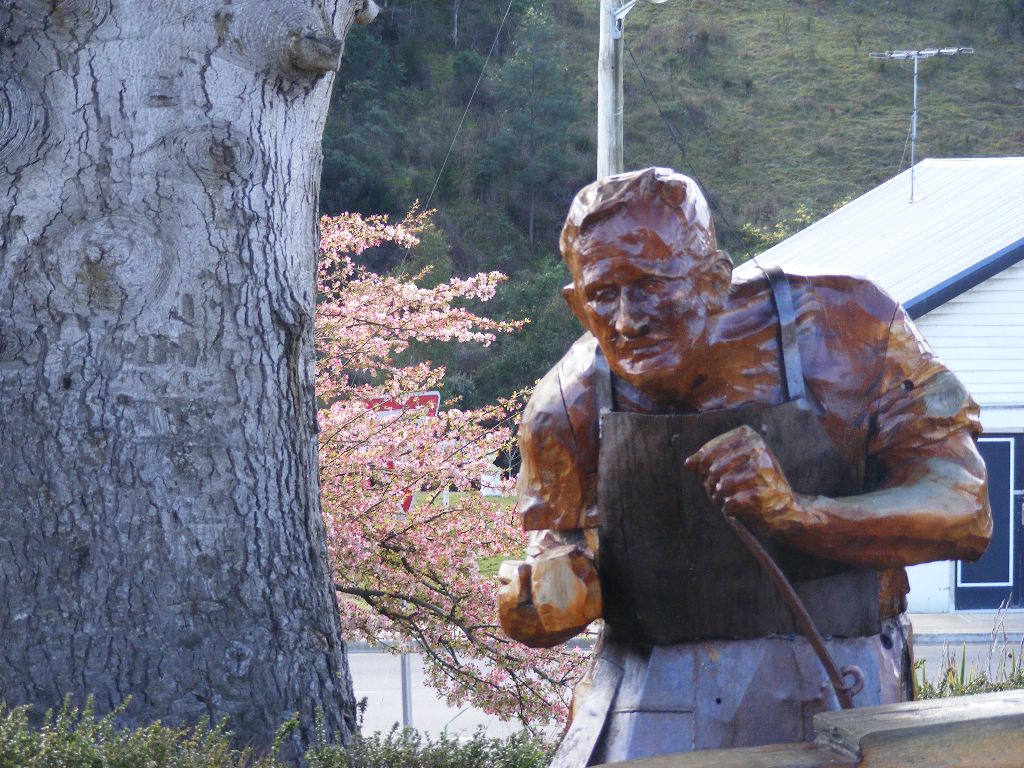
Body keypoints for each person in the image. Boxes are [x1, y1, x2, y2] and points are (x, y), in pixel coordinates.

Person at [497, 168, 991, 766]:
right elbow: (559, 547)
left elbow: (965, 510)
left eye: (652, 285)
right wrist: (548, 595)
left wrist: (798, 515)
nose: (627, 321)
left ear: (715, 280)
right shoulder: (564, 403)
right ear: (576, 303)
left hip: (840, 681)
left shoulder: (849, 329)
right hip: (648, 705)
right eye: (602, 295)